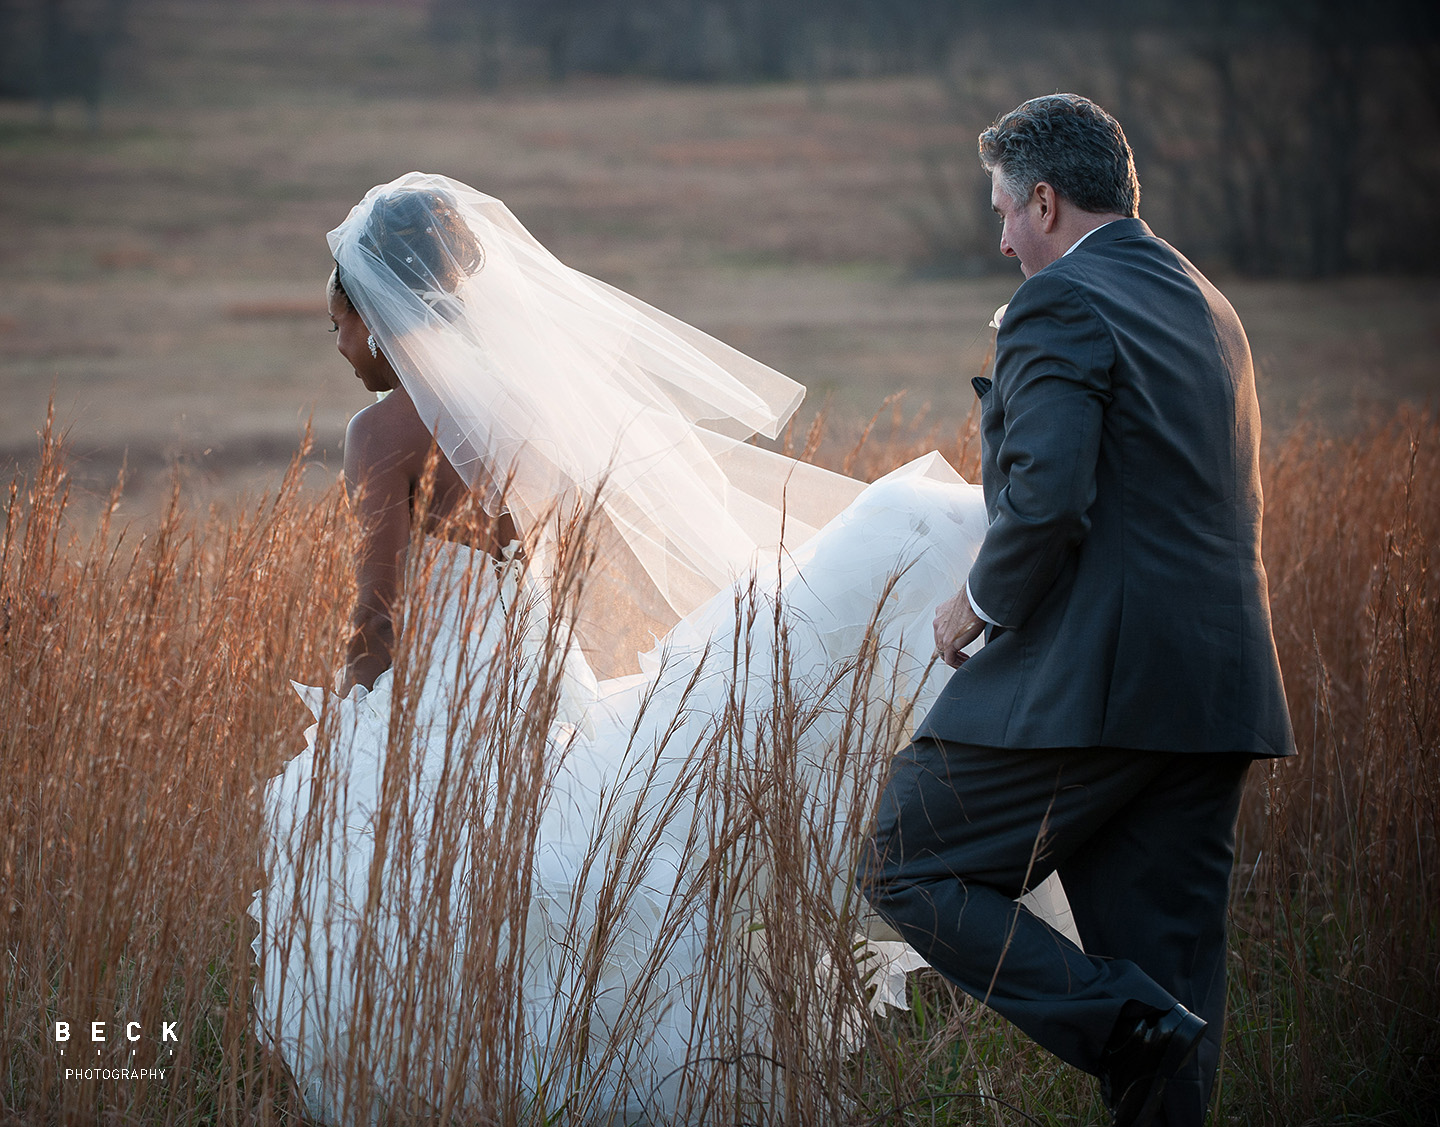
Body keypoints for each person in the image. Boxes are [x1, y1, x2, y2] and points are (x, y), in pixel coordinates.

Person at [248, 173, 1078, 1124]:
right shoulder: (518, 408)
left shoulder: (377, 435)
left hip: (440, 689)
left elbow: (376, 613)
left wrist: (356, 714)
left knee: (430, 895)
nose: (344, 348)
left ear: (375, 306)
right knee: (553, 874)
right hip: (527, 677)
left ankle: (477, 1084)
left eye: (341, 325)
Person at [860, 94, 1296, 1127]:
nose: (1001, 235)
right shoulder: (1207, 301)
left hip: (1102, 686)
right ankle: (1138, 1021)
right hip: (1218, 692)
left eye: (1007, 210)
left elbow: (1049, 495)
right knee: (1173, 988)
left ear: (1046, 202)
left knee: (904, 853)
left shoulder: (1059, 304)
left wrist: (975, 603)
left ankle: (1109, 1016)